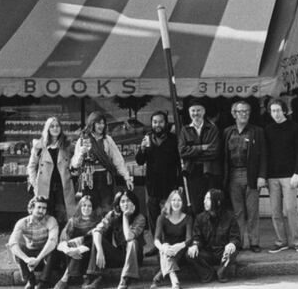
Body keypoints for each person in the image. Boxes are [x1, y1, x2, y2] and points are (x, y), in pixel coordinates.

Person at [222, 100, 267, 252]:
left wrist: (262, 176)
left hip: (251, 175)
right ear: (234, 114)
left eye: (247, 111)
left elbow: (264, 156)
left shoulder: (257, 131)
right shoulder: (227, 132)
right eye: (240, 112)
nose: (244, 114)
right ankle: (240, 242)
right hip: (234, 174)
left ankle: (254, 242)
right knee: (238, 211)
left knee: (253, 211)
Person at [264, 98, 298, 253]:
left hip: (289, 175)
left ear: (284, 111)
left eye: (278, 110)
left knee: (290, 209)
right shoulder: (267, 130)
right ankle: (281, 241)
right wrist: (264, 176)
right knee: (275, 211)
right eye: (273, 111)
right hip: (272, 176)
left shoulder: (295, 128)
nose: (276, 114)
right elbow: (265, 155)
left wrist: (297, 173)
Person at [72, 111, 134, 215]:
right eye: (98, 123)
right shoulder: (83, 140)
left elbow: (118, 159)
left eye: (103, 123)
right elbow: (75, 164)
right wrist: (81, 152)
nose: (102, 126)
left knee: (107, 208)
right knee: (89, 207)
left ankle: (106, 230)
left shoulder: (107, 140)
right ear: (92, 124)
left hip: (105, 178)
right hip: (89, 179)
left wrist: (127, 177)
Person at [82, 190, 146, 289]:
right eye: (122, 201)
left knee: (132, 242)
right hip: (119, 255)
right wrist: (99, 250)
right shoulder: (112, 215)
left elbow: (129, 237)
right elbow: (97, 231)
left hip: (134, 257)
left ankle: (125, 279)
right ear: (118, 204)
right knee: (97, 238)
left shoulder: (140, 218)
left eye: (128, 201)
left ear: (134, 203)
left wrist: (125, 217)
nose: (125, 204)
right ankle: (94, 276)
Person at [136, 110, 181, 249]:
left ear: (165, 123)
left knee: (168, 217)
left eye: (160, 122)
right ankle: (156, 245)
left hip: (169, 185)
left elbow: (179, 164)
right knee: (153, 217)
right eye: (155, 122)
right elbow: (139, 161)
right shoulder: (148, 139)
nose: (157, 125)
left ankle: (168, 245)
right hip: (152, 186)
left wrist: (179, 184)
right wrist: (142, 148)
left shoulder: (173, 140)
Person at [27, 117, 77, 227]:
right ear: (47, 129)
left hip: (63, 187)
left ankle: (62, 241)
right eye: (52, 126)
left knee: (63, 216)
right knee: (45, 216)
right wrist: (35, 185)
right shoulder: (39, 146)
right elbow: (31, 166)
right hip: (45, 188)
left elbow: (76, 163)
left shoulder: (67, 145)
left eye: (57, 126)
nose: (55, 128)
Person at [186, 189, 241, 283]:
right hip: (207, 253)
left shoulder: (230, 217)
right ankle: (207, 273)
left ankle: (222, 273)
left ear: (218, 202)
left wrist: (232, 244)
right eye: (204, 199)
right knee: (189, 254)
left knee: (233, 250)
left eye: (208, 199)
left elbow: (235, 238)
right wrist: (195, 245)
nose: (204, 201)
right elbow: (197, 237)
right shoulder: (200, 218)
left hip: (223, 253)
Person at [177, 100, 221, 215]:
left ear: (204, 111)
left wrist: (192, 152)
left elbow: (214, 152)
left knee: (210, 205)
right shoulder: (184, 130)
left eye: (198, 110)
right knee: (195, 206)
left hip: (209, 172)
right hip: (192, 172)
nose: (196, 113)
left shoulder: (212, 129)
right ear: (189, 112)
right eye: (193, 111)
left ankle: (210, 232)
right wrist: (201, 148)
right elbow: (182, 151)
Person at [7, 196, 59, 289]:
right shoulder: (22, 222)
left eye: (44, 208)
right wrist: (26, 259)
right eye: (38, 207)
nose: (41, 210)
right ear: (31, 209)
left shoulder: (51, 220)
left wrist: (38, 259)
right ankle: (31, 281)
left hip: (44, 254)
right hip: (30, 254)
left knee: (53, 249)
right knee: (17, 249)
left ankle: (44, 282)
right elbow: (12, 243)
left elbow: (52, 241)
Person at [52, 196, 100, 289]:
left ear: (93, 208)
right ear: (80, 207)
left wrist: (78, 250)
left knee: (91, 239)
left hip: (90, 254)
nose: (86, 208)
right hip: (72, 253)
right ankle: (71, 277)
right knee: (72, 246)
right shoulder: (73, 221)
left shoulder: (97, 221)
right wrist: (70, 251)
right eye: (84, 205)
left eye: (89, 206)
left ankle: (65, 278)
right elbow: (63, 241)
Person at [151, 190, 193, 289]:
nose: (176, 203)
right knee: (165, 248)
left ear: (183, 203)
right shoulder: (162, 217)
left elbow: (189, 239)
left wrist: (179, 246)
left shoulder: (188, 218)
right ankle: (175, 282)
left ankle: (158, 278)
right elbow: (156, 239)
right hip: (166, 250)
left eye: (179, 200)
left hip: (181, 251)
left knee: (168, 253)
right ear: (169, 202)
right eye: (173, 200)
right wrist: (162, 248)